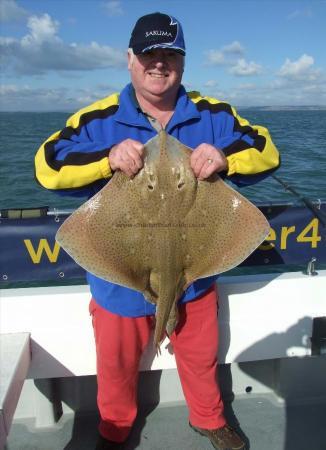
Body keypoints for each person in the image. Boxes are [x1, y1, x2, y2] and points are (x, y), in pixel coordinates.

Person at [35, 12, 280, 450]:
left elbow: (266, 148)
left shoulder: (213, 114)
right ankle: (114, 427)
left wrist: (226, 157)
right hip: (120, 279)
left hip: (195, 273)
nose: (159, 62)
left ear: (183, 63)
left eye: (170, 54)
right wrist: (106, 158)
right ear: (130, 59)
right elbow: (47, 166)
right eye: (150, 53)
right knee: (117, 363)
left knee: (201, 356)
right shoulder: (99, 118)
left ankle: (209, 418)